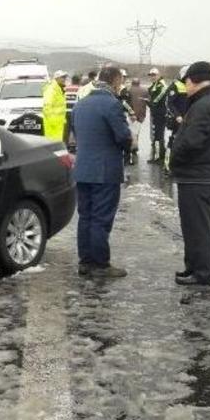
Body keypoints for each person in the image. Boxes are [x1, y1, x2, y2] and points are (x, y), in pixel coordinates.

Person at [169, 61, 210, 286]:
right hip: (205, 176)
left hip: (198, 178)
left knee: (198, 228)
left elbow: (192, 141)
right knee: (194, 226)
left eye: (186, 82)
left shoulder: (204, 106)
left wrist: (174, 158)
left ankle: (203, 274)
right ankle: (193, 267)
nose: (185, 86)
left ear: (193, 80)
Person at [71, 66, 133, 278]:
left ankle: (85, 262)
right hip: (104, 171)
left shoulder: (80, 105)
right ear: (115, 81)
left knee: (85, 216)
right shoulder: (112, 105)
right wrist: (130, 143)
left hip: (82, 169)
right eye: (120, 81)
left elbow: (76, 133)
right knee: (101, 218)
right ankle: (100, 264)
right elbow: (123, 137)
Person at [162, 66, 189, 174]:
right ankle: (167, 166)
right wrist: (177, 116)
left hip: (188, 119)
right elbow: (169, 103)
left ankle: (182, 166)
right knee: (173, 142)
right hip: (177, 120)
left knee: (186, 143)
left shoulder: (191, 86)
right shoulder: (175, 85)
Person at [147, 68, 168, 163]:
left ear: (158, 75)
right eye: (151, 75)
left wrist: (151, 102)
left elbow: (157, 99)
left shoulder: (162, 85)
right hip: (155, 113)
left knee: (159, 135)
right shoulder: (155, 85)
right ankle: (157, 156)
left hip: (161, 113)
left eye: (154, 75)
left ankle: (160, 157)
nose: (152, 77)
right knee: (156, 134)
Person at [42, 70, 68, 142]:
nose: (64, 79)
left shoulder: (59, 89)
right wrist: (53, 121)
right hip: (53, 125)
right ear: (57, 78)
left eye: (65, 77)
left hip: (58, 124)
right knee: (52, 146)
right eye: (62, 77)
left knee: (57, 146)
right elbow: (46, 107)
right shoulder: (51, 90)